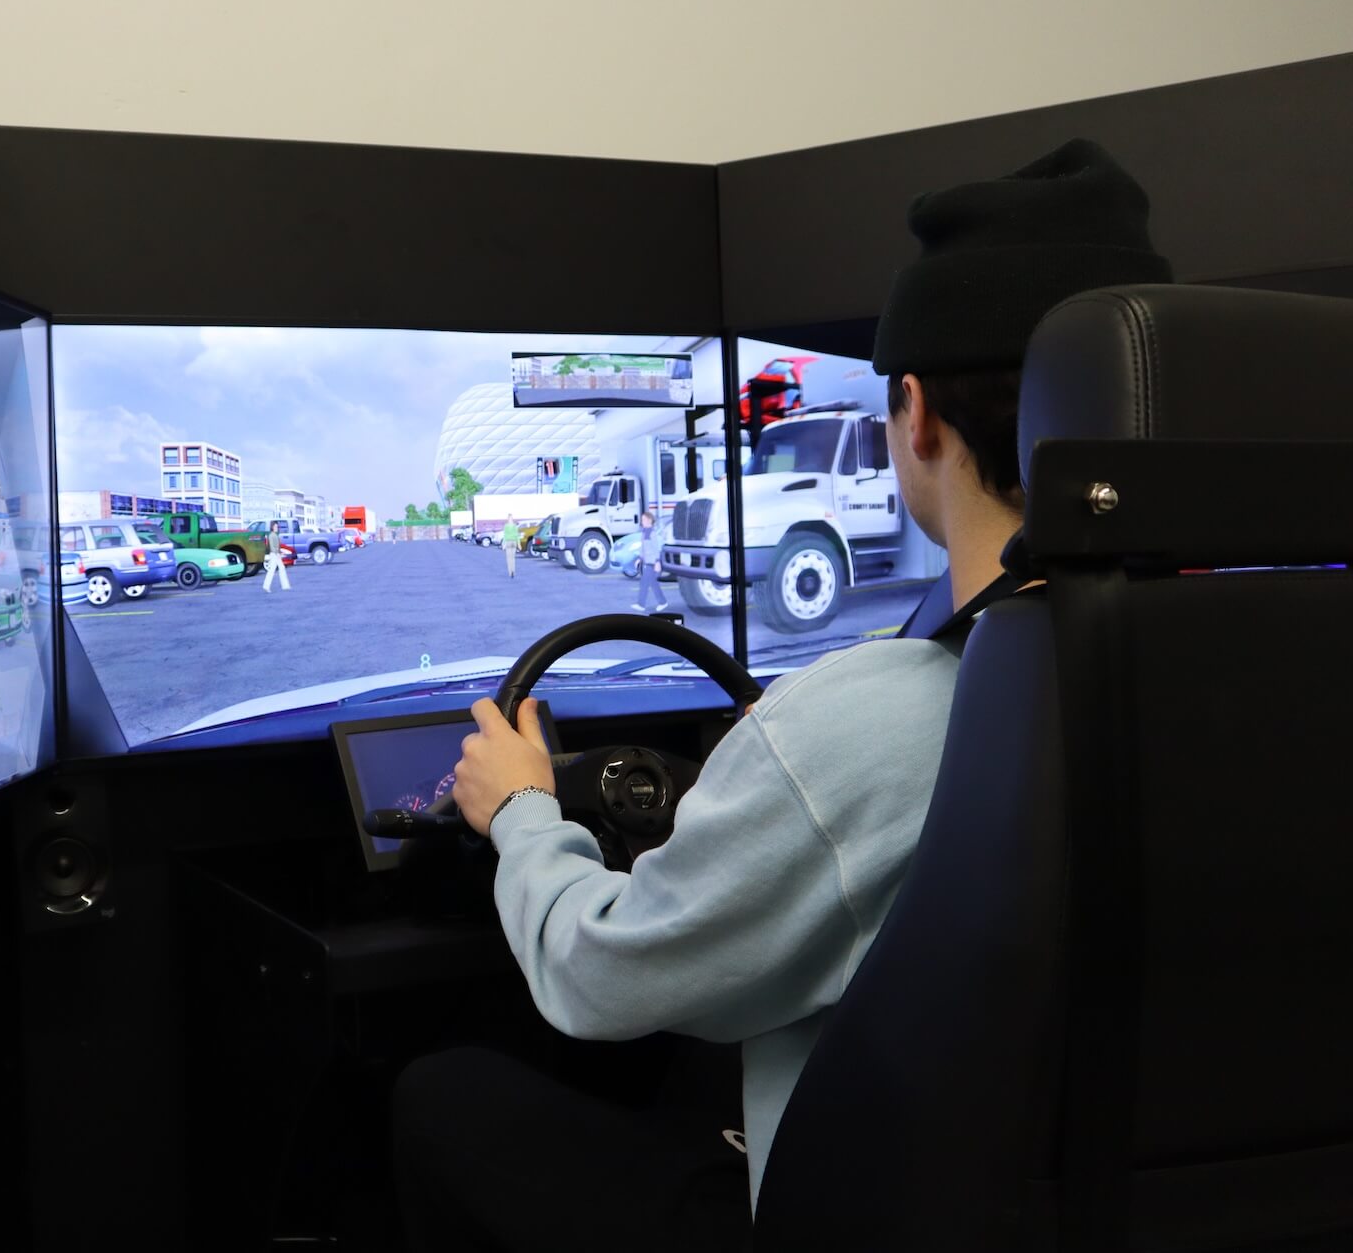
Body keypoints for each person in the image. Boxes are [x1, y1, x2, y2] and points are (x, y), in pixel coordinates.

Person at [393, 139, 1173, 1251]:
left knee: (443, 1093)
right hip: (1133, 1195)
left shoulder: (874, 718)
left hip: (881, 1213)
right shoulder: (1257, 669)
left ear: (915, 414)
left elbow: (594, 975)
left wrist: (521, 810)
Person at [631, 510, 662, 612]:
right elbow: (643, 548)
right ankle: (662, 602)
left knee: (644, 583)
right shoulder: (644, 532)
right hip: (646, 561)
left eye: (643, 519)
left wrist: (657, 562)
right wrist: (639, 559)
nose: (642, 521)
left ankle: (641, 604)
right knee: (653, 584)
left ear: (649, 520)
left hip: (651, 562)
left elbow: (656, 548)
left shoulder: (652, 533)